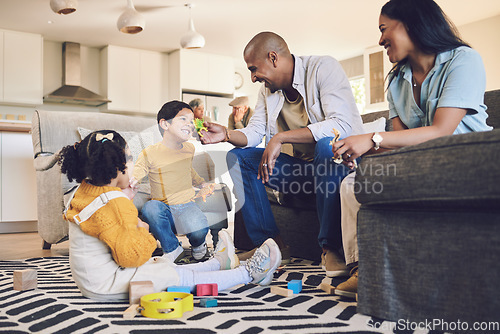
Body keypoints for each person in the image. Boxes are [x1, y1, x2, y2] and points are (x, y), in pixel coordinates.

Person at [331, 0, 492, 299]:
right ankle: (364, 269)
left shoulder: (463, 60)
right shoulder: (395, 81)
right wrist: (363, 153)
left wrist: (372, 137)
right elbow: (399, 145)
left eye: (383, 29)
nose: (380, 40)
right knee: (352, 184)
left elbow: (442, 130)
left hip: (468, 160)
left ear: (411, 23)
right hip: (420, 165)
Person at [200, 31, 365, 273]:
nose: (253, 78)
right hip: (303, 171)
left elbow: (340, 125)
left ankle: (331, 249)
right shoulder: (268, 91)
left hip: (338, 165)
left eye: (254, 69)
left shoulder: (323, 68)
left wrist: (280, 137)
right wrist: (226, 134)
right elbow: (255, 132)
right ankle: (270, 246)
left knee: (326, 144)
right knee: (238, 158)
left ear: (273, 58)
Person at [59, 129, 282, 300]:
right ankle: (249, 274)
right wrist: (144, 232)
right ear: (117, 167)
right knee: (176, 276)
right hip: (109, 285)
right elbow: (131, 257)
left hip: (92, 281)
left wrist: (123, 196)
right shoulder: (117, 205)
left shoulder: (84, 192)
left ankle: (216, 264)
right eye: (129, 159)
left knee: (163, 267)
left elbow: (102, 219)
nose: (132, 164)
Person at [131, 101, 215, 262]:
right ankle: (172, 248)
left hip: (187, 205)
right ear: (165, 124)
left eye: (191, 121)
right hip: (163, 208)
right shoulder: (150, 152)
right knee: (150, 208)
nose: (189, 125)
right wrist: (132, 180)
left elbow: (188, 170)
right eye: (183, 119)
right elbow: (139, 170)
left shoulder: (189, 149)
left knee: (199, 228)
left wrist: (202, 184)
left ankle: (199, 245)